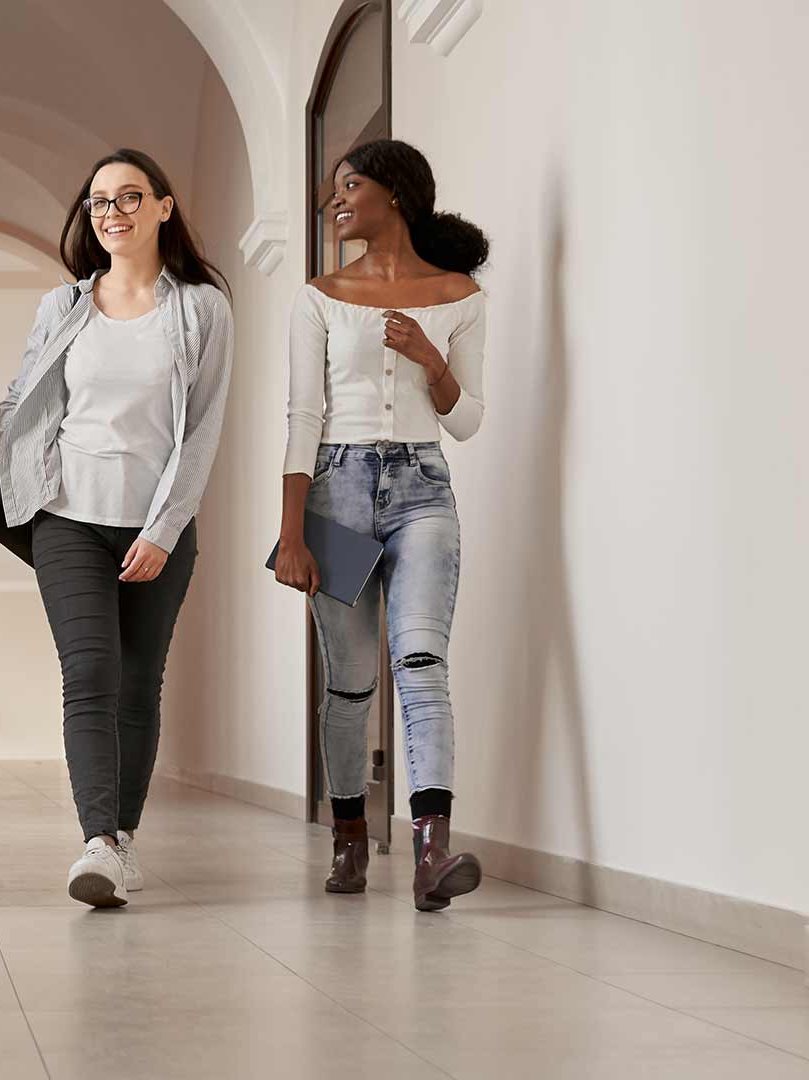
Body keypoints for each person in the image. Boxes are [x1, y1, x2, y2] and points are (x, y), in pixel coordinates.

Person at [0, 149, 233, 908]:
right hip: (68, 518)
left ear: (165, 206)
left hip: (158, 523)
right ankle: (96, 841)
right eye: (99, 202)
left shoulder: (200, 308)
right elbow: (22, 400)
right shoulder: (62, 306)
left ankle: (123, 838)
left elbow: (202, 430)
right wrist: (31, 479)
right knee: (89, 675)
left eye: (129, 197)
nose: (112, 213)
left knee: (139, 684)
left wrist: (165, 526)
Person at [272, 138, 490, 912]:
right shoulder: (319, 294)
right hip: (334, 489)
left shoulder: (460, 294)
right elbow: (302, 415)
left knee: (423, 661)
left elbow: (466, 421)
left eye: (349, 184)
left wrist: (433, 358)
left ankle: (433, 850)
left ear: (393, 192)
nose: (336, 200)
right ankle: (349, 837)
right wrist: (292, 533)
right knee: (352, 682)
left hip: (424, 486)